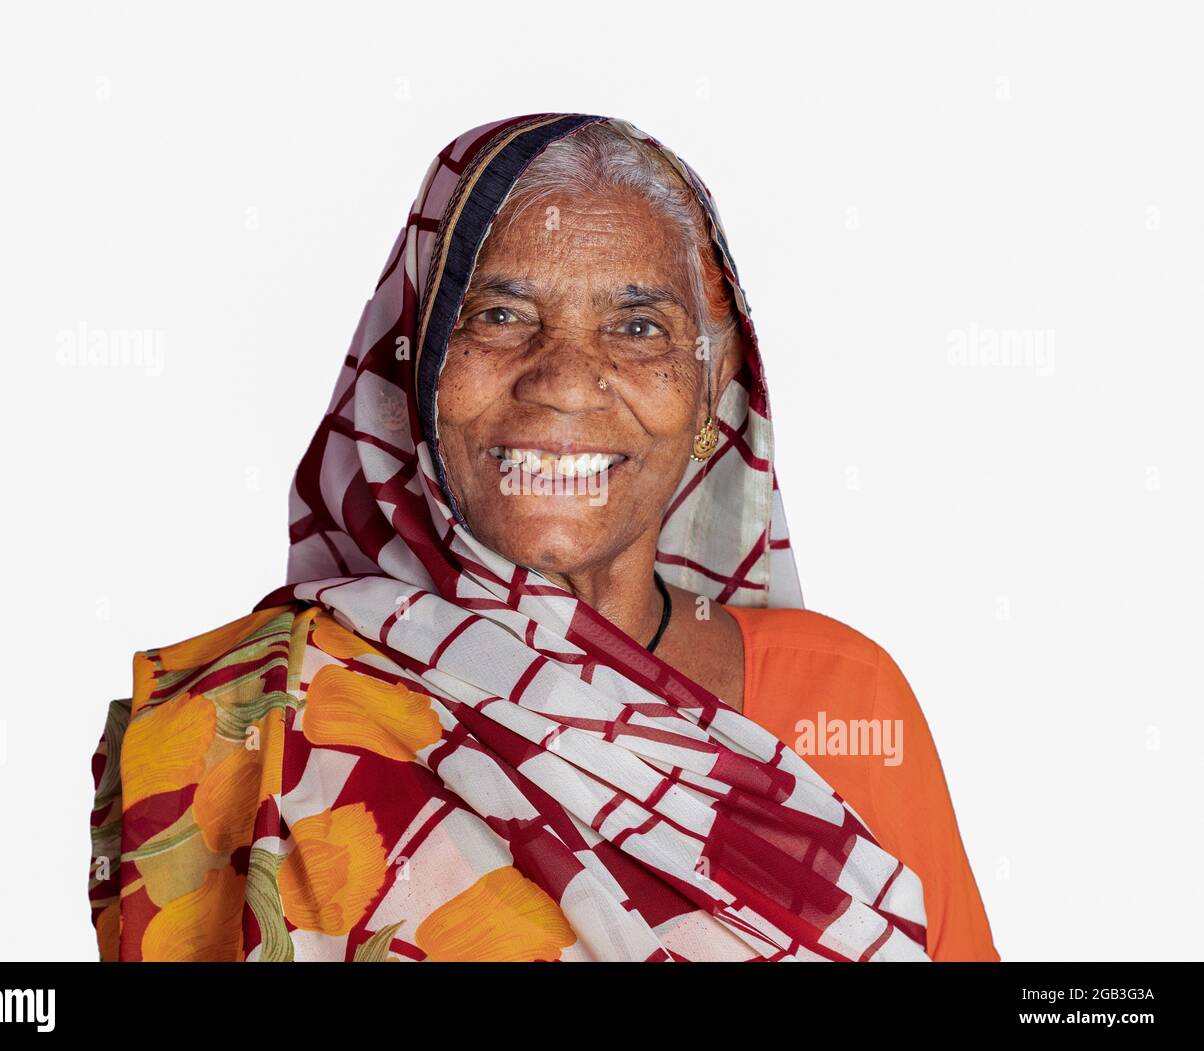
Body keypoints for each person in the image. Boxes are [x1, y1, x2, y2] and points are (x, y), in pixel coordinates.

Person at [88, 113, 997, 962]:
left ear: (710, 403)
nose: (565, 381)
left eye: (639, 328)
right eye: (499, 316)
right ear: (414, 373)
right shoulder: (262, 715)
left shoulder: (845, 695)